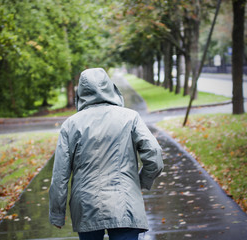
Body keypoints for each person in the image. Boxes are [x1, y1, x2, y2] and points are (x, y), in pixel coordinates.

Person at [49, 68, 164, 240]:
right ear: (110, 87)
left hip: (85, 205)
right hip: (125, 202)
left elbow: (60, 176)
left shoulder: (70, 125)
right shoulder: (130, 117)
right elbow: (153, 153)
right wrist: (141, 181)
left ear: (80, 92)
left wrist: (57, 214)